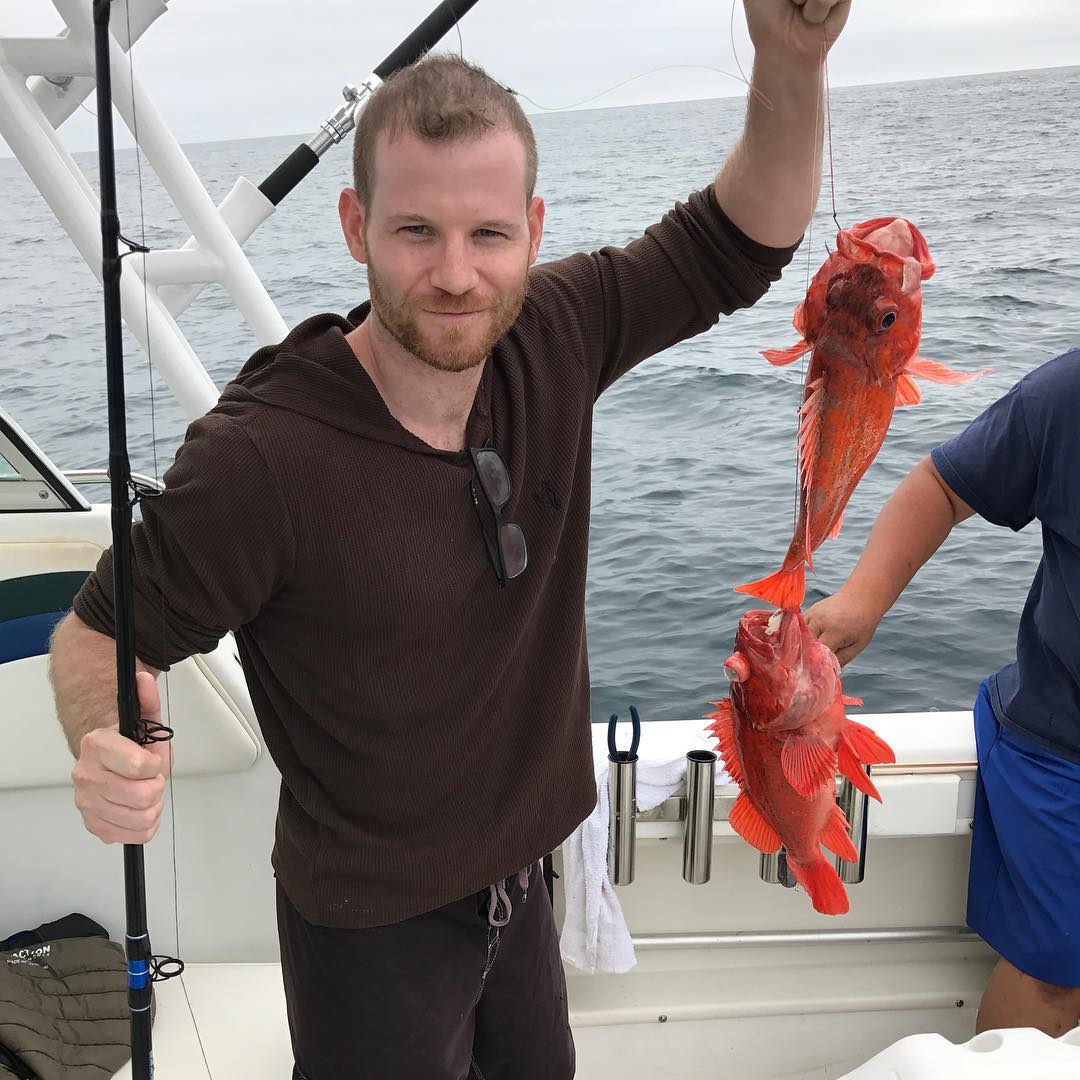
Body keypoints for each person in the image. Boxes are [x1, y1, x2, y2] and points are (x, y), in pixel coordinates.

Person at [49, 2, 851, 1076]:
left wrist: (789, 58)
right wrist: (106, 738)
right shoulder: (261, 461)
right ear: (354, 226)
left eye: (489, 234)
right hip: (367, 927)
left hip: (523, 882)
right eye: (416, 231)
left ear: (532, 226)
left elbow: (737, 242)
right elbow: (99, 634)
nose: (458, 276)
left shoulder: (556, 332)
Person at [807, 347, 1080, 1038]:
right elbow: (943, 486)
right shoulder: (1066, 396)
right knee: (1059, 974)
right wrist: (863, 601)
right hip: (1062, 745)